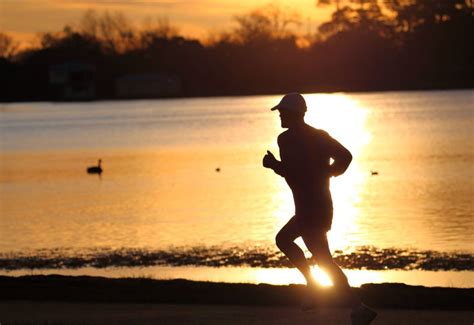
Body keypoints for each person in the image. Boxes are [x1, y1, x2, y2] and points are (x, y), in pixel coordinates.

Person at [263, 93, 377, 324]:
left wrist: (275, 166)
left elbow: (295, 172)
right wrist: (327, 173)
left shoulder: (287, 140)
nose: (280, 116)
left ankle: (354, 305)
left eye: (283, 113)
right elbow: (342, 158)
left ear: (295, 114)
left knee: (321, 258)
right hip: (316, 205)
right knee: (288, 241)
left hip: (311, 207)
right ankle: (331, 294)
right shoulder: (315, 137)